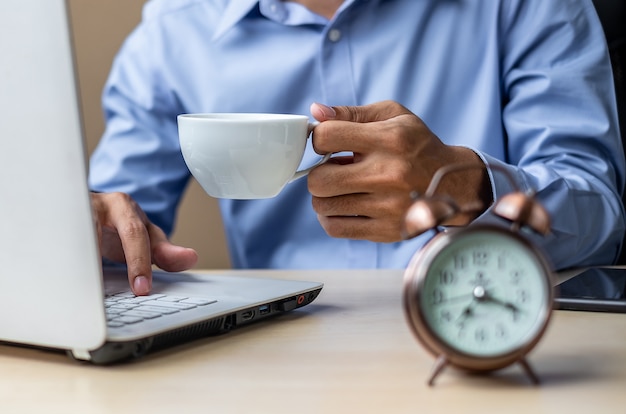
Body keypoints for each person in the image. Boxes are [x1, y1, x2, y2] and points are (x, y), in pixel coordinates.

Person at [89, 0, 625, 295]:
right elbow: (119, 225)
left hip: (484, 324)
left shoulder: (526, 7)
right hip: (276, 354)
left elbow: (600, 212)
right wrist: (91, 224)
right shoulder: (171, 31)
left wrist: (466, 188)